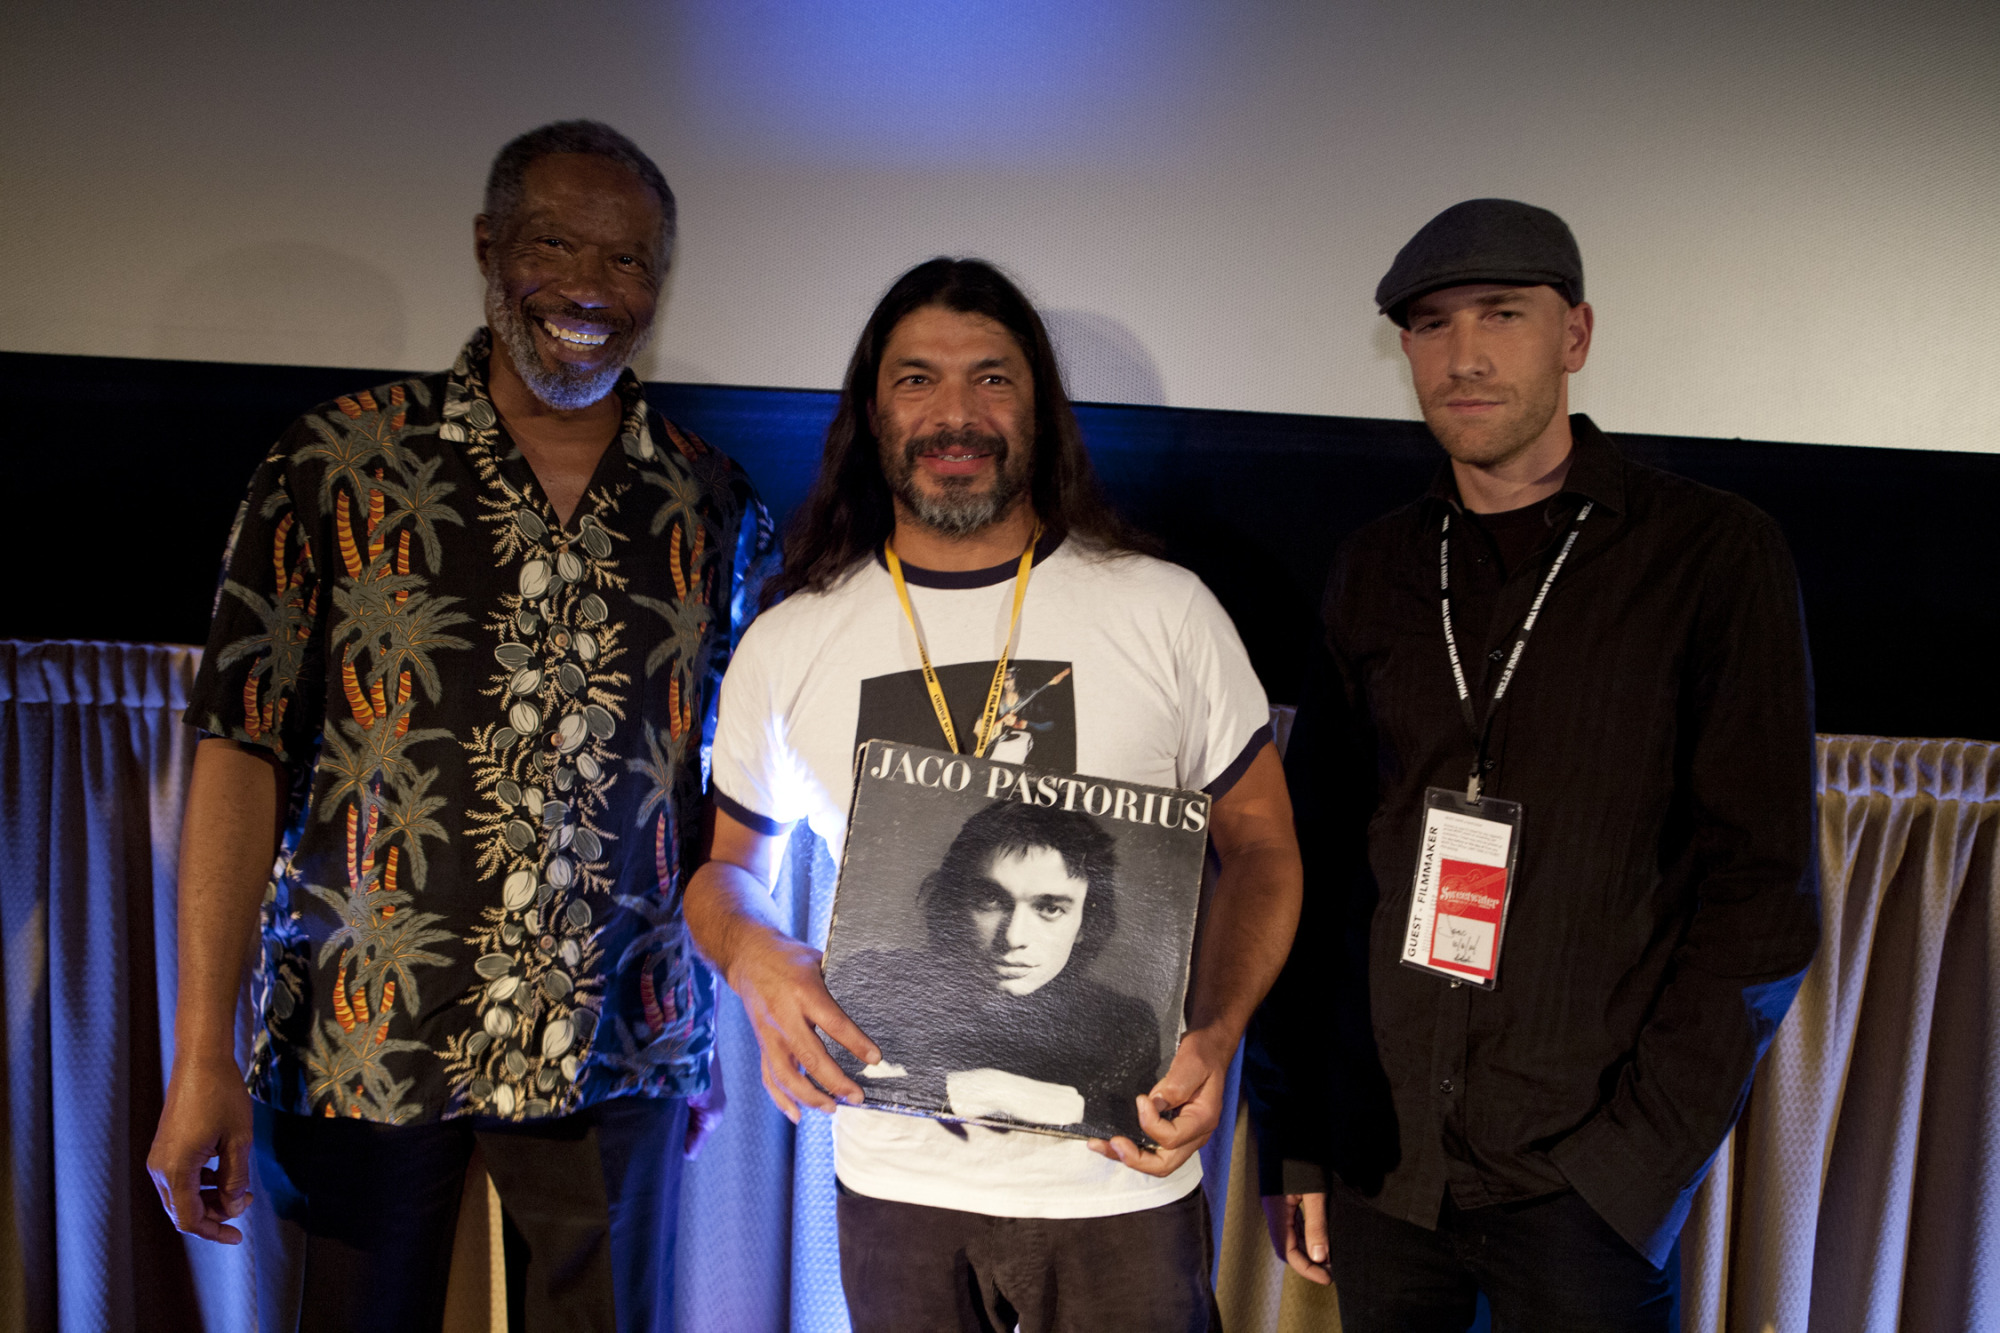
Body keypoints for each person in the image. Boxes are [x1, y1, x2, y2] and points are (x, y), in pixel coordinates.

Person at [146, 120, 770, 1332]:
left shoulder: (714, 500)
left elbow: (726, 793)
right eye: (554, 244)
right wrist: (201, 1048)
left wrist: (700, 1034)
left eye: (630, 261)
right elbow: (240, 753)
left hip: (619, 1044)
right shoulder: (335, 463)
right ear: (489, 249)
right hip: (360, 1033)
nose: (591, 288)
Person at [686, 257, 1304, 1332]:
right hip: (897, 1183)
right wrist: (752, 954)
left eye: (992, 378)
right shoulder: (789, 639)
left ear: (1039, 408)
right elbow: (723, 872)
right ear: (871, 412)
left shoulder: (1163, 610)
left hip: (1122, 1170)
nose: (956, 414)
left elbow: (1260, 844)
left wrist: (1215, 1026)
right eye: (916, 379)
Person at [1244, 198, 1820, 1332]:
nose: (1463, 354)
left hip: (1584, 1180)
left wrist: (1634, 1168)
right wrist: (1300, 1135)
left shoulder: (1708, 555)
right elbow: (1312, 875)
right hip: (1384, 1164)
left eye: (1501, 314)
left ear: (1574, 335)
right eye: (1429, 324)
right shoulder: (1373, 569)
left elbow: (1758, 894)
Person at [828, 801, 1162, 1142]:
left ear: (1085, 923)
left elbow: (1130, 1128)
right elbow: (830, 1082)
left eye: (1049, 908)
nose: (1014, 938)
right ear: (954, 902)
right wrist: (983, 1090)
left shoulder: (1124, 1026)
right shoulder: (874, 981)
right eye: (989, 900)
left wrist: (979, 1088)